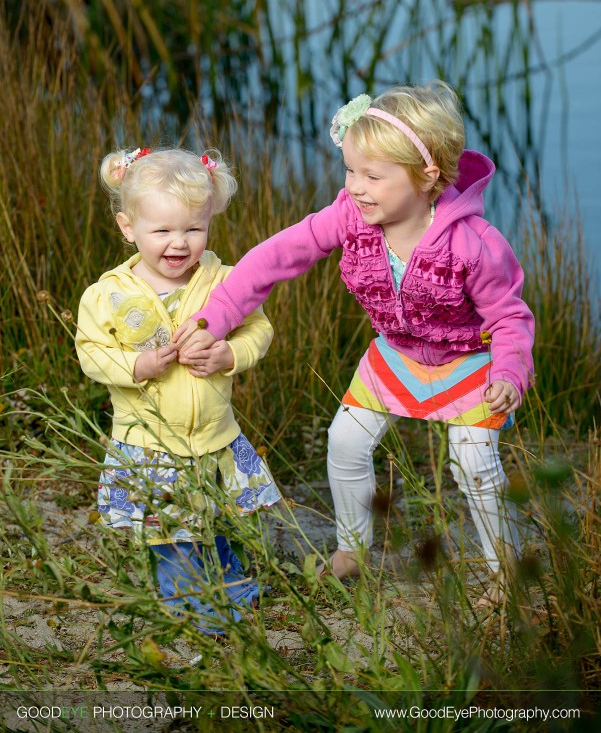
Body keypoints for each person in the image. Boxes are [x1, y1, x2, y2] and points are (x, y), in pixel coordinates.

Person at [173, 82, 535, 605]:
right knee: (345, 439)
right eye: (350, 171)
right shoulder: (350, 217)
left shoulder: (472, 244)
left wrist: (508, 372)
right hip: (396, 353)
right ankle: (351, 551)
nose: (356, 187)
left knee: (473, 459)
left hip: (469, 359)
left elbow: (509, 316)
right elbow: (276, 258)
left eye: (373, 176)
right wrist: (217, 317)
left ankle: (506, 573)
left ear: (427, 176)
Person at [76, 146, 280, 635]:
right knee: (175, 534)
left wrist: (230, 355)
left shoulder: (225, 282)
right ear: (129, 228)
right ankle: (191, 605)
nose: (179, 243)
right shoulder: (108, 295)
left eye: (193, 229)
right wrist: (137, 364)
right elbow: (91, 353)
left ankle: (230, 580)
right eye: (162, 230)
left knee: (218, 518)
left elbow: (259, 329)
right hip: (150, 444)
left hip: (214, 434)